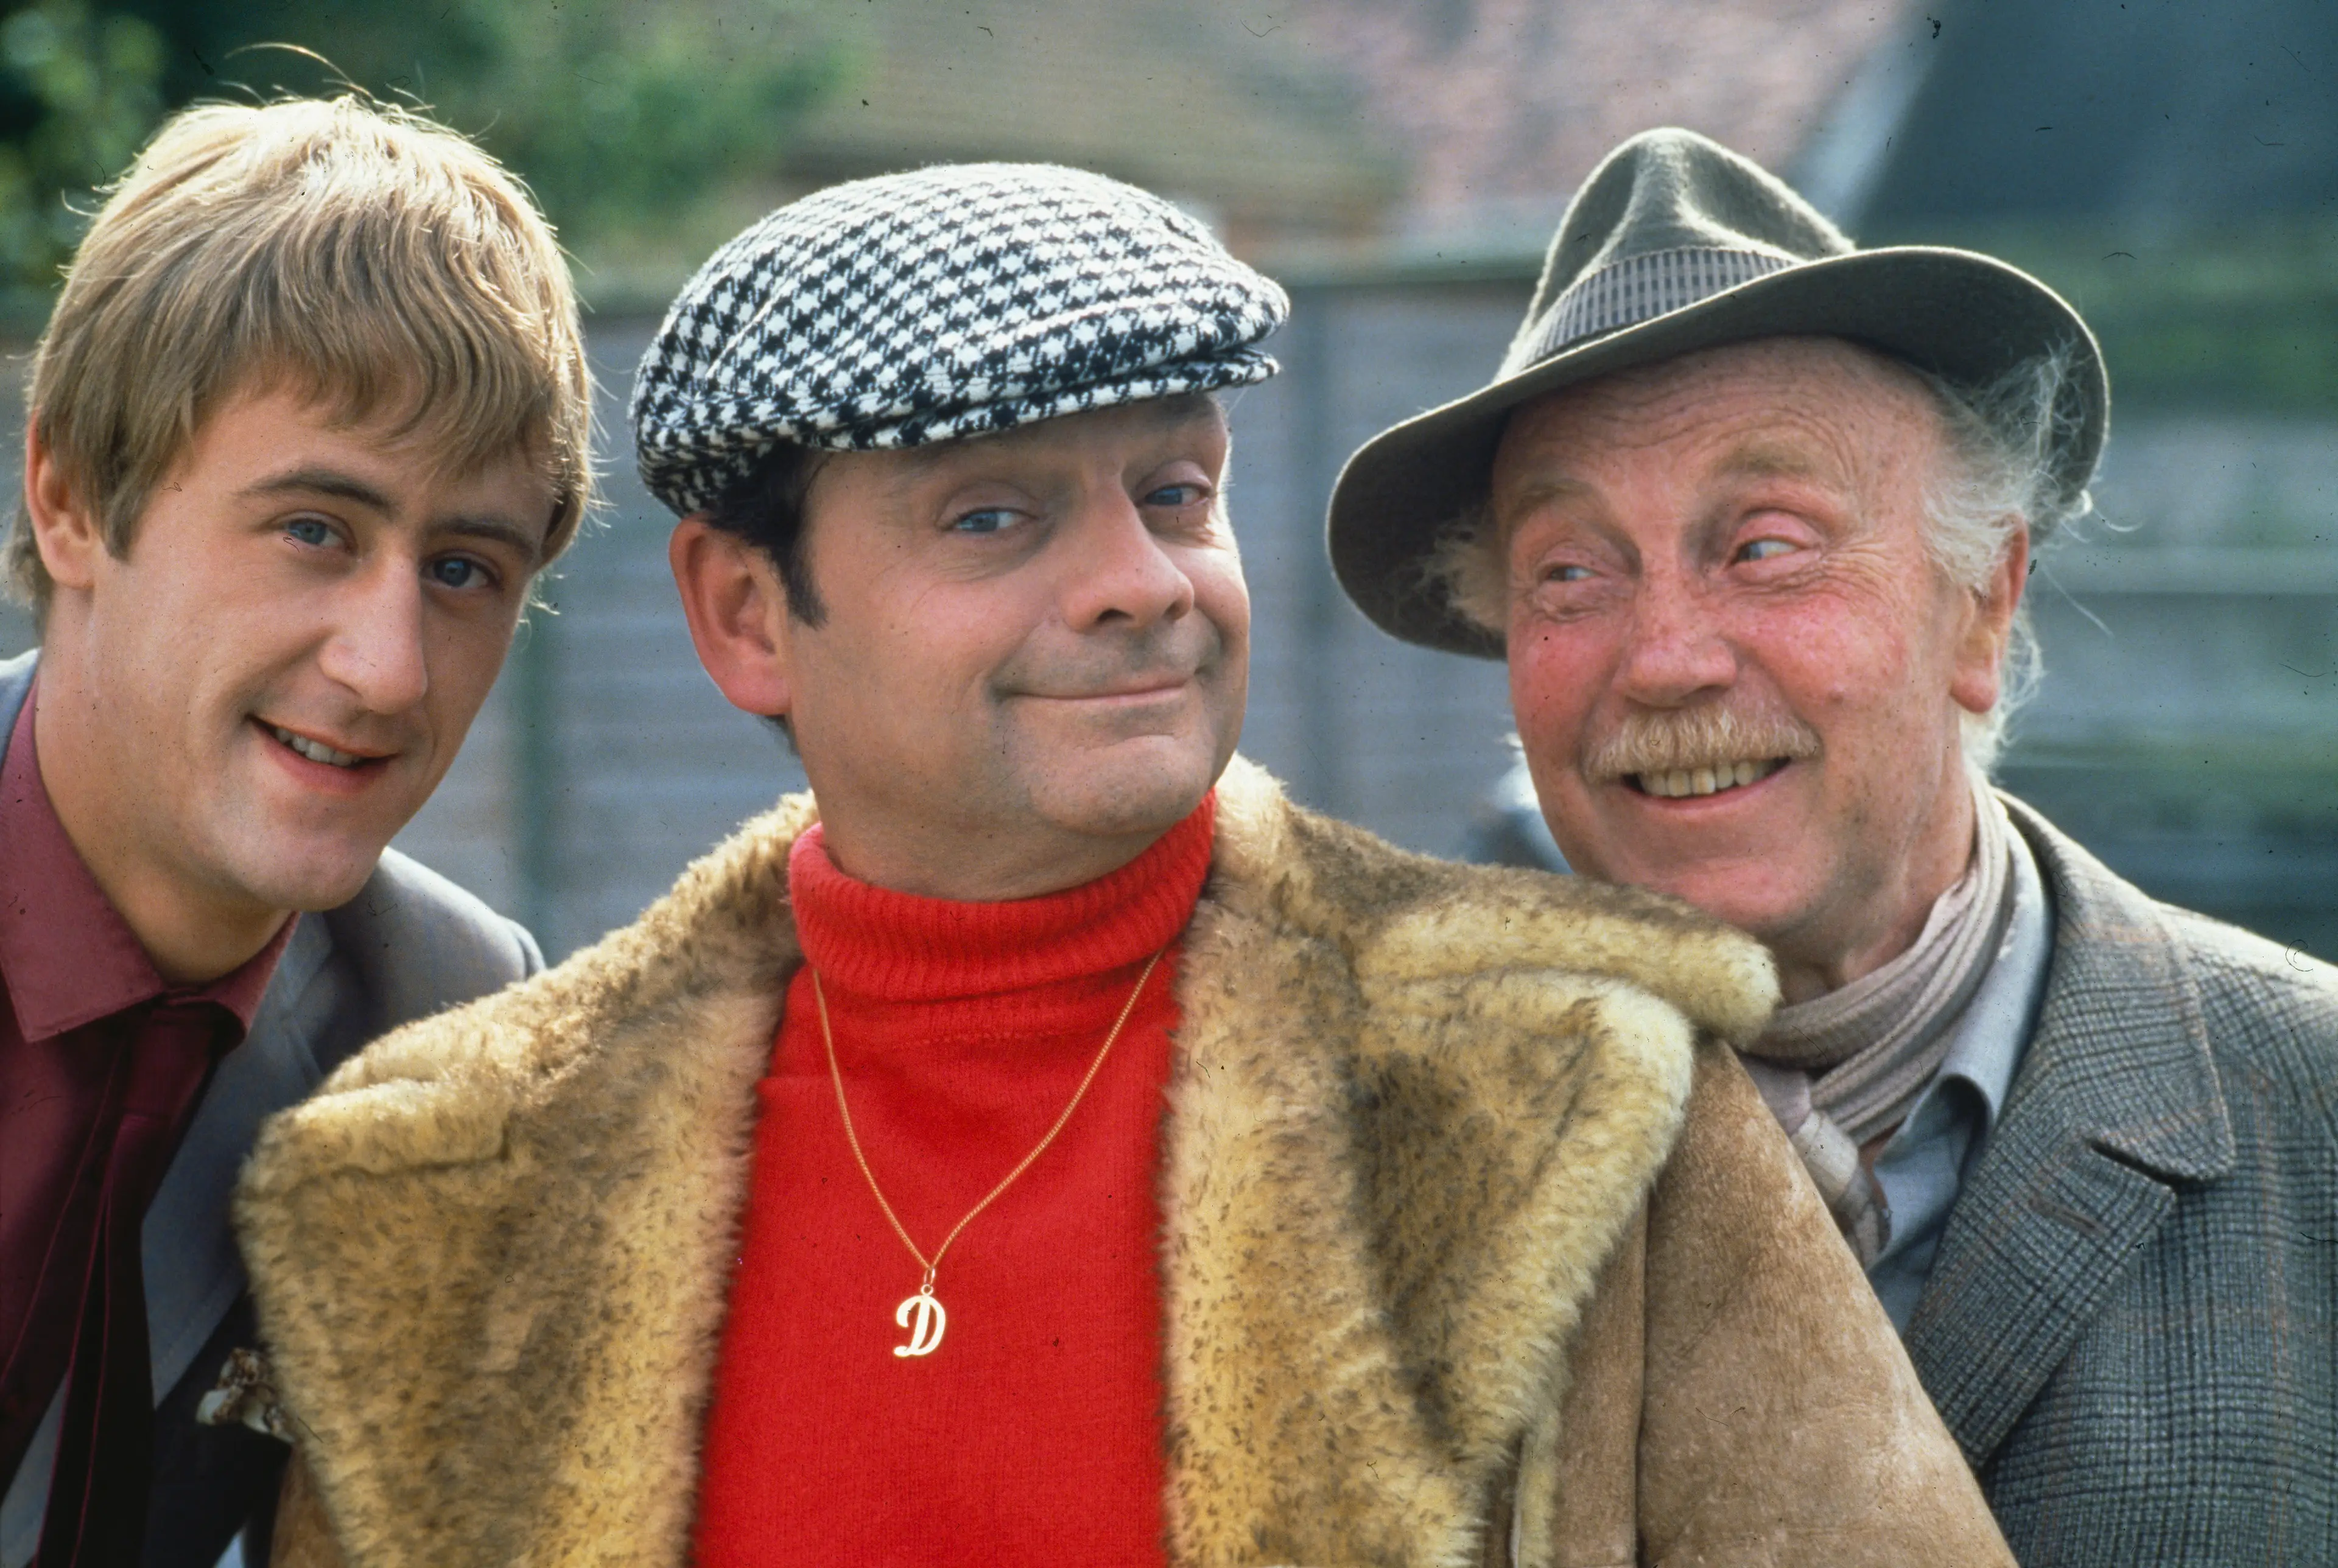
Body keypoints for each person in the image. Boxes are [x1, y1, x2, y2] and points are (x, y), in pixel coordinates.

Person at [234, 163, 2012, 1568]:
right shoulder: (447, 1178)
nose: (1142, 583)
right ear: (747, 614)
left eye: (1175, 492)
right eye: (998, 514)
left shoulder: (1572, 1081)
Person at [1330, 125, 2338, 1566]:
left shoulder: (2313, 1111)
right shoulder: (1383, 1173)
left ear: (1981, 607)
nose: (1666, 658)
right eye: (1571, 571)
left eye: (1766, 546)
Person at [0, 96, 592, 1567]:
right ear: (73, 498)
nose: (389, 668)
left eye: (464, 568)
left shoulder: (448, 1019)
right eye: (316, 530)